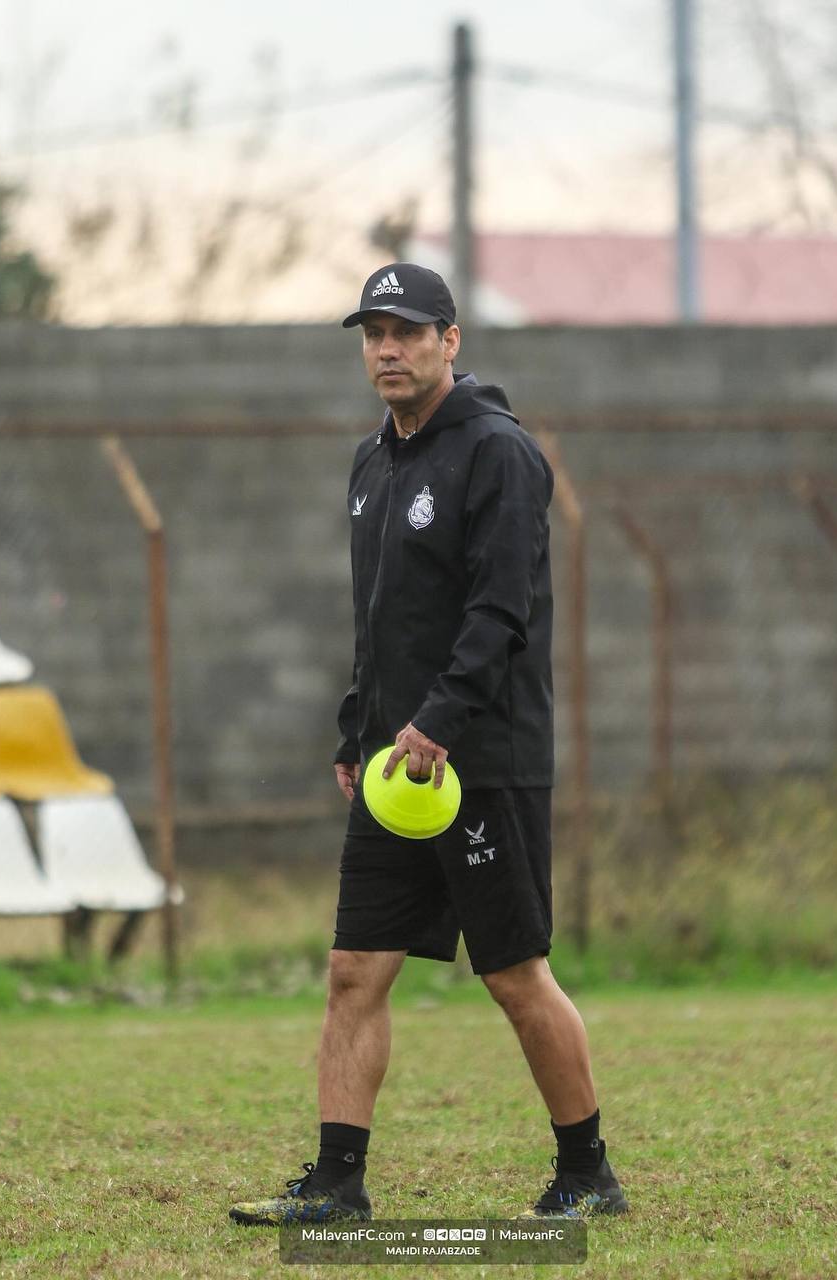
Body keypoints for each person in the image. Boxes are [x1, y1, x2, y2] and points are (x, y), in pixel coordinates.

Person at [230, 262, 628, 1226]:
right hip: (392, 767)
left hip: (480, 761)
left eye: (407, 332)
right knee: (354, 969)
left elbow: (500, 613)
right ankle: (337, 1183)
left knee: (513, 974)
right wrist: (359, 726)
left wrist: (438, 724)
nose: (387, 350)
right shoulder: (372, 462)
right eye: (373, 334)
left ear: (451, 341)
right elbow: (383, 620)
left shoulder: (499, 453)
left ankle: (588, 1174)